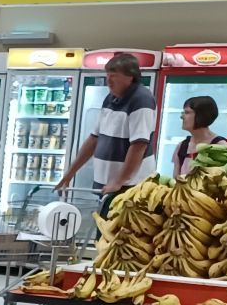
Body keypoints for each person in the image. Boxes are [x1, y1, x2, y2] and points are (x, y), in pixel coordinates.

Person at [56, 51, 157, 215]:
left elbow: (139, 145)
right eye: (107, 75)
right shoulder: (111, 98)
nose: (108, 80)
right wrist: (70, 173)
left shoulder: (141, 100)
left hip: (129, 187)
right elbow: (94, 139)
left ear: (130, 77)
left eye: (114, 75)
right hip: (106, 186)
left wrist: (119, 181)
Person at [171, 95, 227, 179]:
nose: (181, 117)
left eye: (187, 112)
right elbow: (176, 179)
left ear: (201, 115)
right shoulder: (182, 146)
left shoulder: (221, 147)